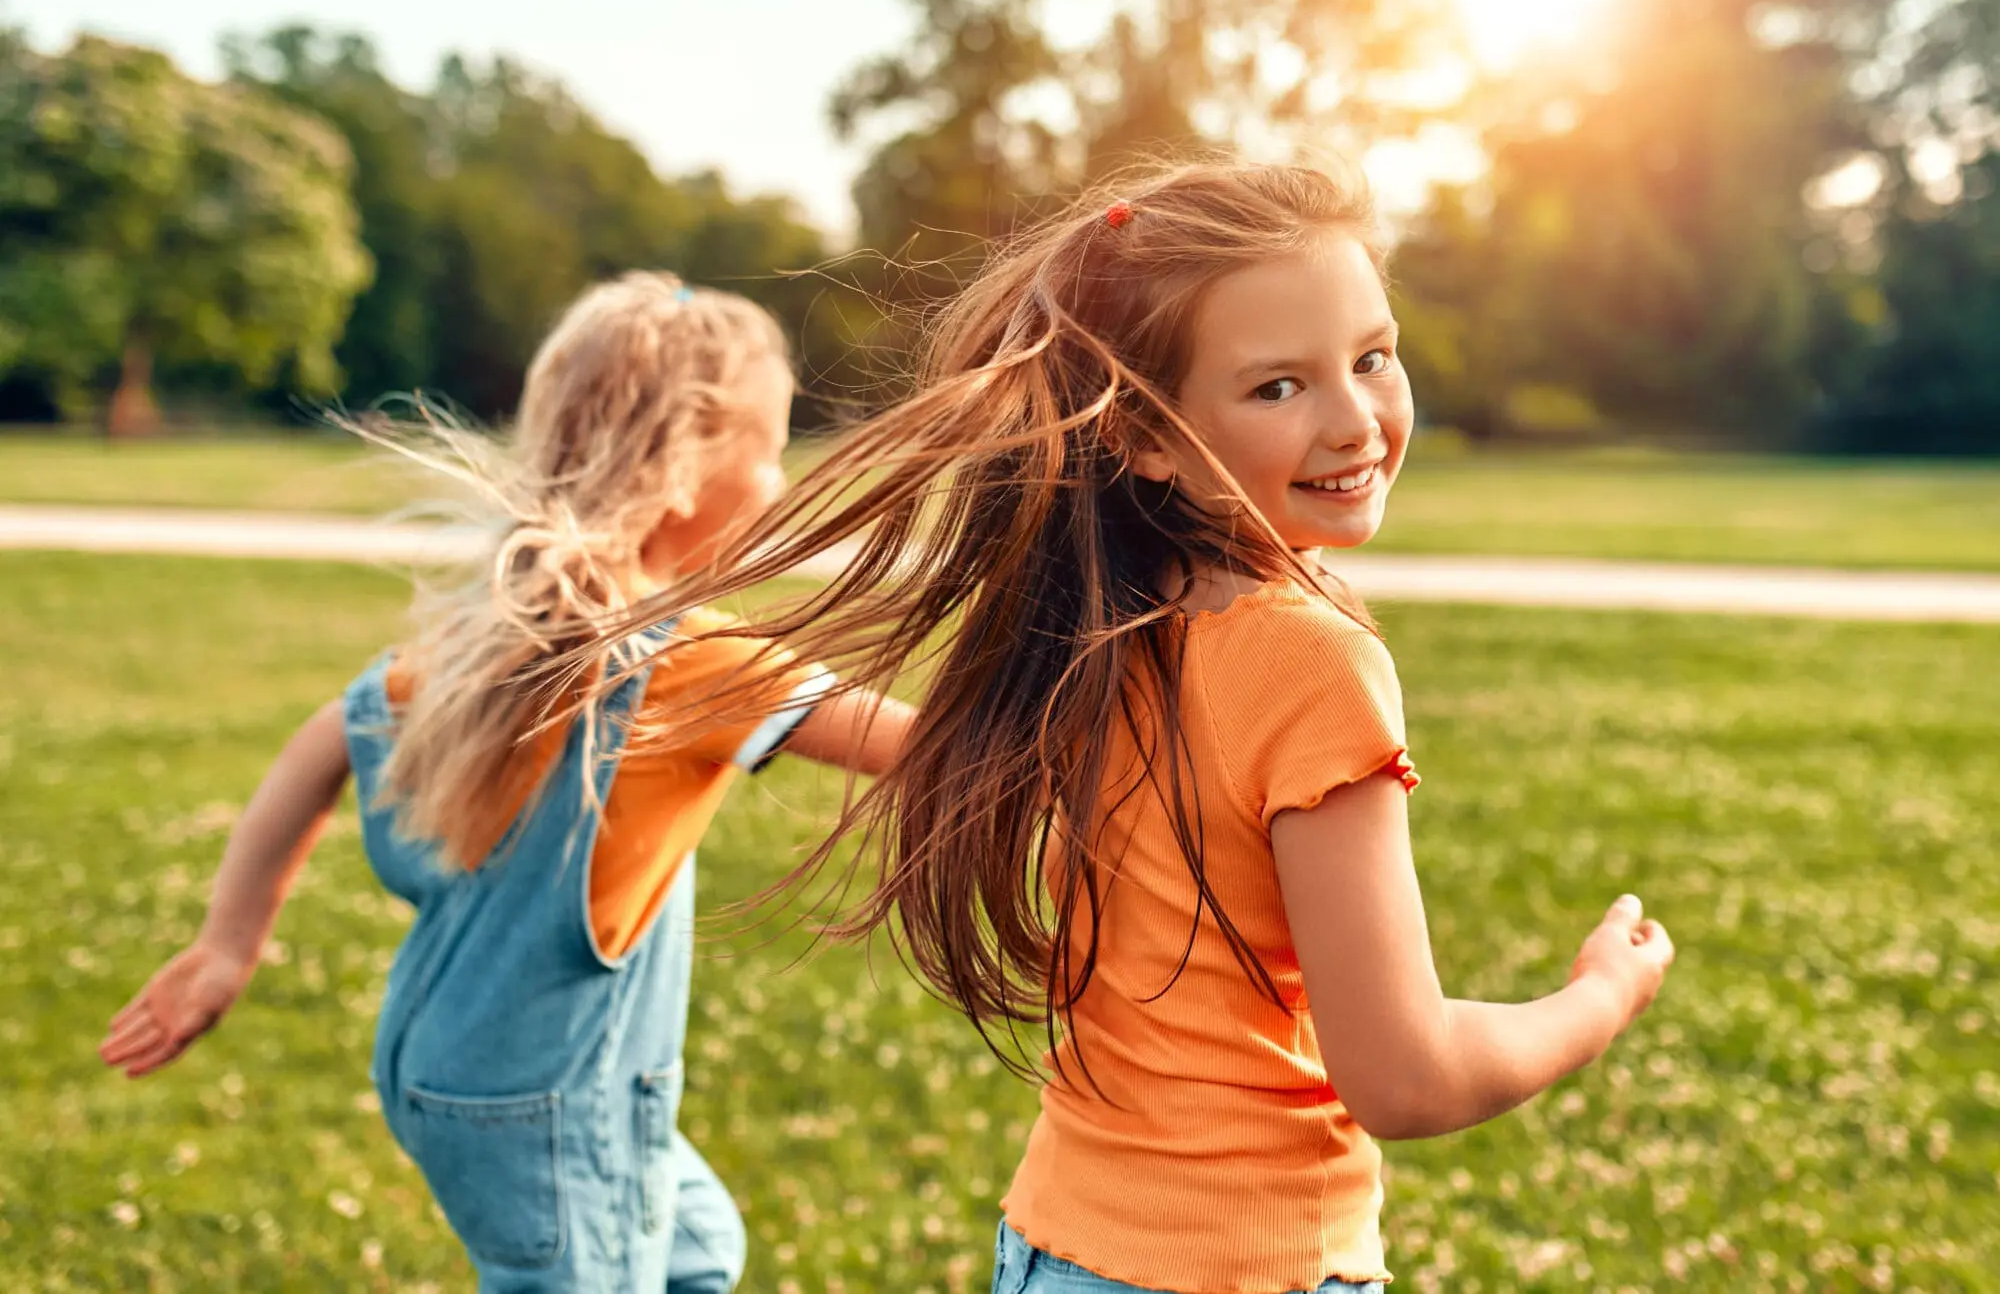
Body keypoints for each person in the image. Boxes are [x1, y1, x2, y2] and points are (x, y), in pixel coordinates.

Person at [570, 163, 1678, 1294]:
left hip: (1055, 1244)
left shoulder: (1100, 619)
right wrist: (1594, 1000)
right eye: (1277, 387)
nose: (1354, 420)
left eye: (1371, 357)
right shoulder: (1310, 661)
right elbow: (1404, 1076)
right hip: (1243, 1266)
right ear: (1147, 435)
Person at [99, 272, 911, 1292]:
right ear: (684, 469)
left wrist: (228, 944)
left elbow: (318, 745)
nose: (781, 485)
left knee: (696, 1249)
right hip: (552, 1103)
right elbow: (927, 746)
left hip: (458, 1073)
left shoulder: (488, 641)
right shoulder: (688, 662)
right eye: (770, 452)